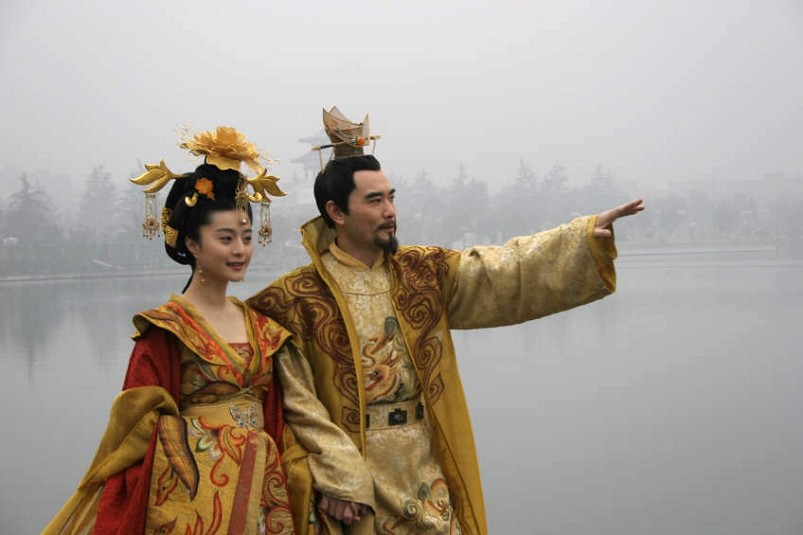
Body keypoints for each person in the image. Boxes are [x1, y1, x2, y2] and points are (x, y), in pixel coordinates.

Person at [247, 108, 644, 535]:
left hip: (423, 462)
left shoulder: (422, 272)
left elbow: (502, 269)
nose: (390, 210)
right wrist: (335, 474)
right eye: (375, 200)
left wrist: (579, 238)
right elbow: (291, 401)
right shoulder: (295, 299)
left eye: (391, 197)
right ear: (336, 212)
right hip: (354, 475)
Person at [43, 126, 297, 535]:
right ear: (193, 244)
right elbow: (136, 433)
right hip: (195, 507)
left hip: (263, 502)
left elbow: (280, 420)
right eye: (226, 238)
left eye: (247, 238)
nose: (240, 251)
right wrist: (230, 447)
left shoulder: (264, 326)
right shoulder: (165, 331)